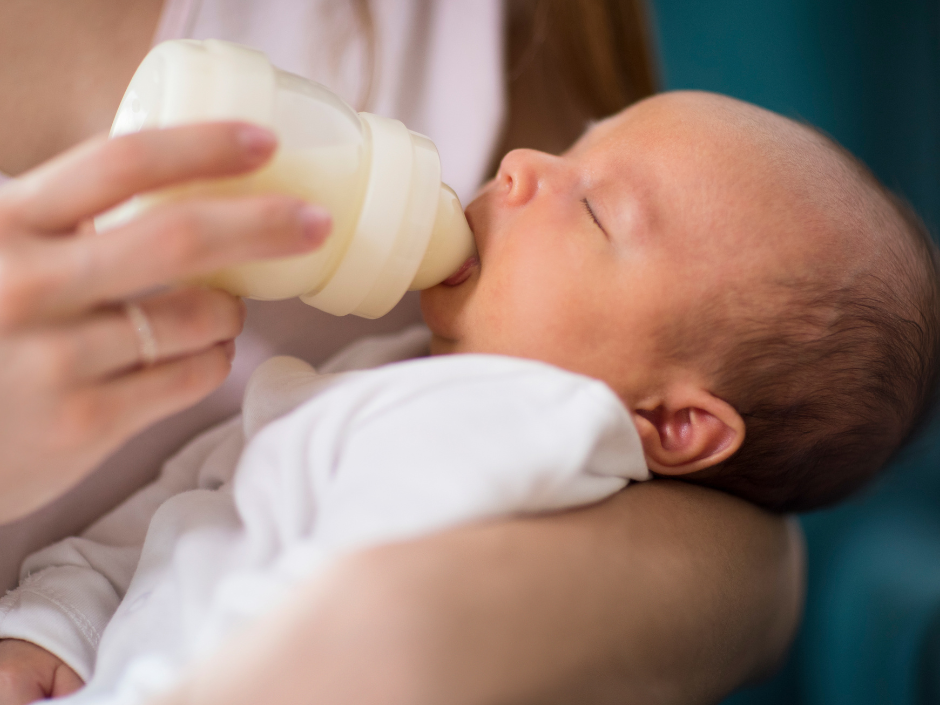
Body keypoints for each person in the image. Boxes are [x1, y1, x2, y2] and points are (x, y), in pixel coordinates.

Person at [2, 91, 935, 704]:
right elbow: (174, 513)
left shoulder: (531, 436)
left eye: (598, 211)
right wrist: (57, 628)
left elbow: (333, 622)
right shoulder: (389, 365)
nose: (524, 163)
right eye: (576, 145)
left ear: (671, 423)